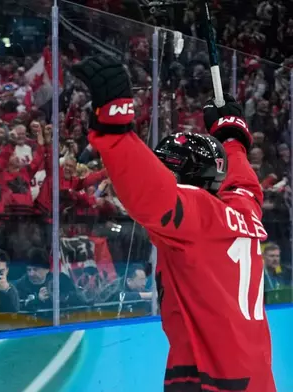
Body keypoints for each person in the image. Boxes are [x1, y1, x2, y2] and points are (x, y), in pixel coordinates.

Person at [72, 55, 275, 392]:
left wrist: (116, 131)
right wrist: (231, 134)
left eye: (167, 169)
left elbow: (151, 194)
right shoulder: (244, 212)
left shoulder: (195, 216)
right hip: (257, 375)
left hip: (210, 377)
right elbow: (243, 183)